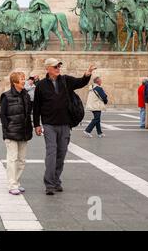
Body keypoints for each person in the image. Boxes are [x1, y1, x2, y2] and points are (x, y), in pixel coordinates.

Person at [33, 58, 95, 195]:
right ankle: (49, 184)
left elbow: (81, 82)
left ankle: (56, 180)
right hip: (49, 124)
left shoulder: (65, 80)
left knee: (61, 154)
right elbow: (36, 106)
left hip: (65, 124)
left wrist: (87, 74)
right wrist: (36, 124)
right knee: (51, 153)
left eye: (59, 66)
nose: (58, 68)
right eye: (55, 66)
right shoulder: (41, 85)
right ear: (47, 68)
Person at [0, 72, 33, 195]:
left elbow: (29, 112)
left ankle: (17, 182)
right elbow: (2, 115)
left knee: (22, 160)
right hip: (11, 132)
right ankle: (12, 184)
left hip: (24, 131)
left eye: (24, 78)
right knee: (12, 159)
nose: (24, 81)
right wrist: (6, 130)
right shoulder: (6, 96)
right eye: (21, 79)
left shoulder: (26, 95)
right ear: (15, 82)